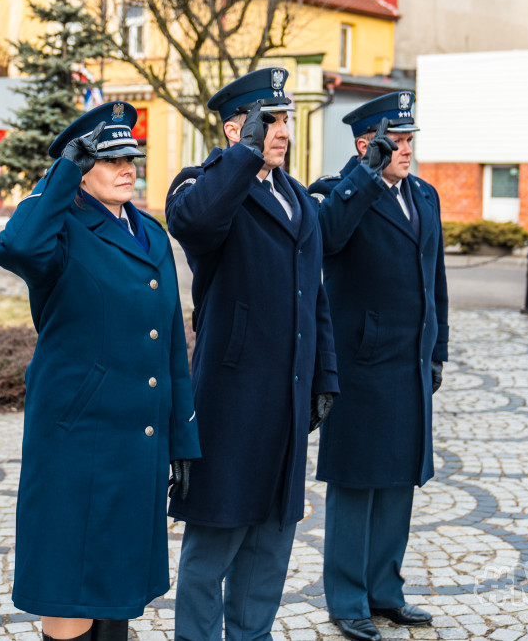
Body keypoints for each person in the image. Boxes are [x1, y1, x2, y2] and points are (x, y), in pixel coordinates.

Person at [0, 101, 201, 641]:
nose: (127, 167)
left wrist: (183, 440)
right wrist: (62, 170)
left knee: (119, 590)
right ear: (83, 171)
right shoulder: (59, 229)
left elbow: (171, 342)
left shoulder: (150, 234)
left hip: (138, 443)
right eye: (110, 160)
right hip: (77, 443)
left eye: (131, 155)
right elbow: (15, 246)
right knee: (71, 588)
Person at [165, 67, 339, 640]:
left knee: (270, 540)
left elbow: (314, 295)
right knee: (214, 540)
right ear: (237, 126)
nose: (282, 131)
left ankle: (252, 635)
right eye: (271, 121)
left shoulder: (296, 197)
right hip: (232, 398)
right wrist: (241, 157)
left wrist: (325, 377)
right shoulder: (204, 183)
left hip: (287, 395)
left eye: (286, 119)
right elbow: (193, 223)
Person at [309, 91, 449, 641]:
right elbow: (327, 238)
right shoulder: (338, 193)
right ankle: (347, 600)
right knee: (355, 483)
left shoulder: (424, 194)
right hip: (361, 364)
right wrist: (364, 178)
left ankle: (384, 593)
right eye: (398, 142)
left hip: (410, 360)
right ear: (368, 144)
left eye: (412, 140)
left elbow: (435, 278)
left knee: (398, 480)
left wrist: (438, 348)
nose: (408, 151)